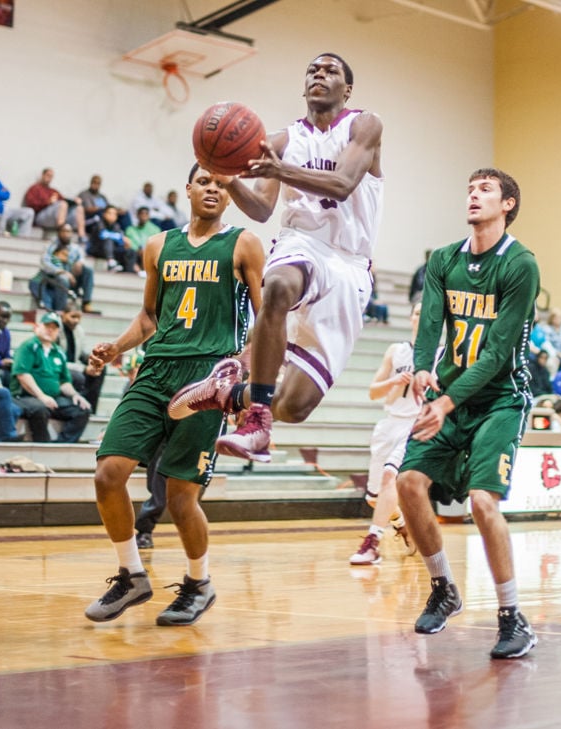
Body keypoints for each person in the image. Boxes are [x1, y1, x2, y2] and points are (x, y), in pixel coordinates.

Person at [168, 53, 384, 465]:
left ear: (347, 89)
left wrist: (279, 170)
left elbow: (342, 184)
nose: (319, 74)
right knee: (280, 285)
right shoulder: (282, 142)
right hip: (302, 241)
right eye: (313, 70)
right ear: (304, 87)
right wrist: (229, 179)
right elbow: (263, 209)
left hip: (351, 264)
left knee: (294, 406)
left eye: (330, 71)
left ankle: (231, 393)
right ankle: (256, 421)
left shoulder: (364, 124)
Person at [83, 164, 264, 627]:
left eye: (222, 185)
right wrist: (116, 347)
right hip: (155, 369)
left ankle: (199, 583)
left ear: (231, 196)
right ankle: (132, 575)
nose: (213, 189)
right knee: (108, 474)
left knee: (181, 498)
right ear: (188, 189)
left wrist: (242, 374)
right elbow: (149, 317)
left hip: (208, 377)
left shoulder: (243, 243)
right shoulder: (158, 245)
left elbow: (266, 321)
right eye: (205, 181)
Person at [392, 168, 538, 659]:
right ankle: (443, 588)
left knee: (481, 502)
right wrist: (421, 368)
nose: (473, 196)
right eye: (470, 189)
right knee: (408, 483)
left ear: (508, 204)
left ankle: (512, 616)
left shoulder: (520, 265)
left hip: (500, 398)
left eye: (485, 190)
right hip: (451, 394)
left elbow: (497, 354)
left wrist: (445, 403)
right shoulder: (443, 260)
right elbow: (431, 323)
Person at [349, 302, 421, 566]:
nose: (421, 317)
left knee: (391, 475)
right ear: (410, 318)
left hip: (415, 424)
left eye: (426, 313)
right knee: (374, 499)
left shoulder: (440, 353)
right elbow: (373, 392)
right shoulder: (396, 351)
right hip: (390, 423)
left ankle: (372, 543)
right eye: (417, 312)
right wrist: (394, 381)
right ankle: (402, 525)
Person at [10, 313, 91, 443]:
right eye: (47, 326)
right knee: (40, 408)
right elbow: (23, 375)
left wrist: (75, 395)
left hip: (53, 398)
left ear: (58, 332)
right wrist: (42, 396)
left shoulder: (59, 352)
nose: (50, 330)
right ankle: (43, 446)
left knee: (82, 409)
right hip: (26, 396)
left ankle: (61, 446)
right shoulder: (28, 346)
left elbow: (64, 382)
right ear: (37, 327)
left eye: (54, 328)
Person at [29, 224, 97, 313]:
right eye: (63, 231)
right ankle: (61, 309)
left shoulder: (75, 248)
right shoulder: (50, 246)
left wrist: (80, 263)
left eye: (68, 232)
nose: (66, 234)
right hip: (54, 277)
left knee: (88, 271)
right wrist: (62, 272)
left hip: (72, 277)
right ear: (59, 233)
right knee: (63, 279)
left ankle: (86, 302)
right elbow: (45, 263)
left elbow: (81, 258)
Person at [22, 167, 86, 235]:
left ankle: (82, 236)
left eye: (51, 176)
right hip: (40, 217)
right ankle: (60, 234)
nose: (49, 178)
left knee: (79, 208)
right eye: (48, 175)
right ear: (42, 175)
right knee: (63, 204)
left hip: (56, 217)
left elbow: (63, 200)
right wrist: (47, 202)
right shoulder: (34, 188)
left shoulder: (53, 191)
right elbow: (31, 204)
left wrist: (74, 202)